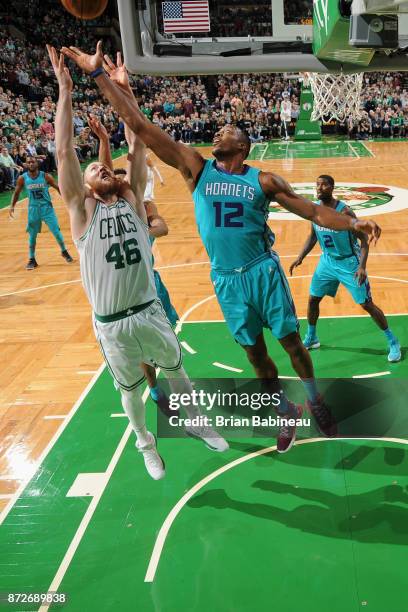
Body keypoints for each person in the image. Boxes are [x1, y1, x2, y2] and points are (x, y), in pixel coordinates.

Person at [62, 43, 382, 453]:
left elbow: (314, 214)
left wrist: (354, 222)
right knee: (254, 356)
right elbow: (140, 127)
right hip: (226, 281)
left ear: (243, 147)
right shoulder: (196, 167)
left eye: (226, 131)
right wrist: (101, 77)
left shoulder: (263, 180)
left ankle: (316, 401)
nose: (217, 132)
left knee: (292, 344)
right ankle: (285, 409)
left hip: (262, 271)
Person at [47, 46, 227, 481]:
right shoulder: (80, 210)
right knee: (128, 391)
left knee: (176, 369)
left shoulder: (133, 199)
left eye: (104, 167)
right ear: (84, 186)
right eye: (93, 170)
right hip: (110, 322)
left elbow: (138, 139)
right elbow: (65, 150)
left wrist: (125, 90)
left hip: (148, 309)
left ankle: (194, 421)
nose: (99, 170)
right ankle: (145, 442)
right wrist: (65, 92)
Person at [88, 113, 178, 412]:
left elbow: (163, 228)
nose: (124, 183)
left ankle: (170, 380)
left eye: (125, 179)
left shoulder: (141, 205)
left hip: (149, 283)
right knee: (141, 350)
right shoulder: (103, 212)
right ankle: (153, 388)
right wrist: (103, 141)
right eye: (118, 179)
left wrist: (140, 229)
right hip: (123, 291)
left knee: (167, 338)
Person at [290, 175, 401, 362]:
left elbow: (364, 241)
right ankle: (312, 337)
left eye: (323, 184)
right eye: (317, 184)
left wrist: (362, 267)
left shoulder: (346, 213)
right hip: (327, 261)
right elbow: (313, 236)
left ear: (332, 188)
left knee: (367, 304)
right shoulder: (315, 210)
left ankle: (393, 341)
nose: (319, 187)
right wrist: (300, 257)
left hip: (349, 263)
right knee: (312, 300)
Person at [9, 155, 73, 269]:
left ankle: (64, 251)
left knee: (56, 232)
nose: (31, 164)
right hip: (33, 209)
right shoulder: (22, 178)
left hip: (47, 208)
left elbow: (57, 187)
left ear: (37, 163)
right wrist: (12, 206)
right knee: (32, 236)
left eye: (33, 162)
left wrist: (67, 200)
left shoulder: (45, 176)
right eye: (28, 162)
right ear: (26, 164)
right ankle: (32, 259)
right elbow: (17, 192)